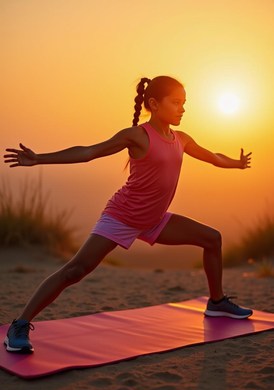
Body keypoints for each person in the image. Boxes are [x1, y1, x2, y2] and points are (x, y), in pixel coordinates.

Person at [3, 76, 252, 354]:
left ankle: (216, 303)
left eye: (185, 103)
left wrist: (237, 164)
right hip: (121, 217)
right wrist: (39, 158)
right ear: (154, 104)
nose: (183, 109)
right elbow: (89, 152)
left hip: (154, 219)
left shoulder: (181, 139)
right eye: (177, 102)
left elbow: (213, 157)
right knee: (75, 270)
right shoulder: (137, 135)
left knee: (212, 239)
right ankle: (20, 324)